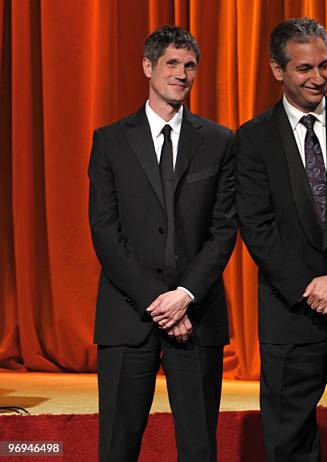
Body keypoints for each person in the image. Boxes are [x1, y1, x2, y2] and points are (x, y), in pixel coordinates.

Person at [88, 25, 236, 462]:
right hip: (128, 315)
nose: (182, 74)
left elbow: (224, 229)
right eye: (172, 63)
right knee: (117, 445)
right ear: (149, 67)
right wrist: (160, 302)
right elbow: (104, 230)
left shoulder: (220, 140)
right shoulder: (110, 140)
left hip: (198, 314)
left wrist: (185, 296)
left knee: (199, 447)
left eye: (190, 66)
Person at [236, 17, 327, 462]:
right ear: (278, 71)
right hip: (290, 315)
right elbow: (257, 227)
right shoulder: (252, 138)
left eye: (324, 65)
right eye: (304, 69)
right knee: (289, 441)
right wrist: (315, 290)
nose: (319, 77)